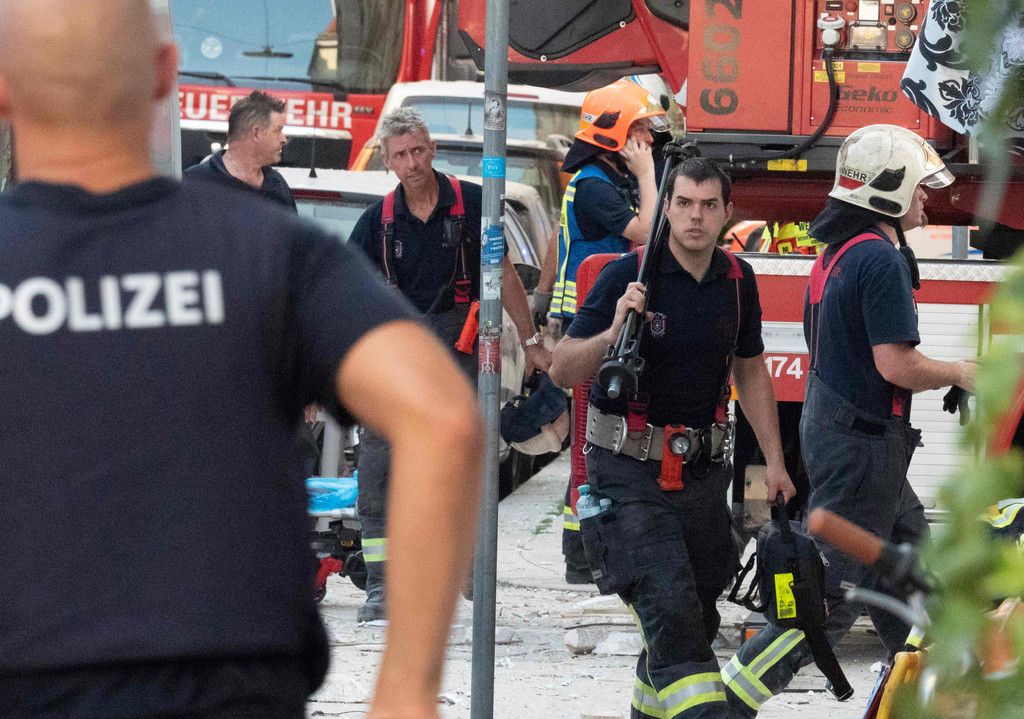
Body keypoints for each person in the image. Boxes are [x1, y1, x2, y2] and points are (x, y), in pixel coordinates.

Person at [0, 3, 481, 719]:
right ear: (165, 75)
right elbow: (442, 417)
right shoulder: (269, 252)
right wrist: (406, 693)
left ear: (3, 88)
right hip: (230, 688)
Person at [722, 124, 976, 717]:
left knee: (916, 588)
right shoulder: (880, 260)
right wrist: (961, 371)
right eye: (917, 186)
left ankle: (933, 702)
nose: (925, 197)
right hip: (863, 452)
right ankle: (727, 702)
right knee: (824, 603)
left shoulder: (839, 253)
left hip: (856, 444)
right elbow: (895, 364)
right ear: (887, 190)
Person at [549, 157, 796, 719]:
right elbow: (563, 368)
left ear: (727, 212)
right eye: (683, 203)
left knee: (695, 616)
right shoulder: (629, 276)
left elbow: (750, 369)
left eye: (709, 205)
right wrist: (614, 329)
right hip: (628, 473)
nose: (695, 217)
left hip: (702, 477)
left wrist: (775, 463)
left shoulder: (738, 282)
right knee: (670, 609)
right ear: (666, 210)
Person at [347, 106, 551, 622]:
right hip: (399, 357)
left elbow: (504, 275)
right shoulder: (376, 223)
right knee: (379, 466)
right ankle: (382, 587)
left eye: (418, 150)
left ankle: (467, 566)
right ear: (388, 162)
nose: (412, 163)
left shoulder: (475, 204)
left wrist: (531, 343)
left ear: (432, 150)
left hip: (461, 351)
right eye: (400, 155)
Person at [550, 78, 668, 584]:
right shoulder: (596, 185)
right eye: (640, 128)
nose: (648, 137)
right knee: (587, 440)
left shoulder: (604, 178)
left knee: (597, 437)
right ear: (614, 133)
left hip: (601, 316)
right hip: (589, 323)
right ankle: (581, 554)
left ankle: (590, 548)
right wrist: (647, 173)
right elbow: (649, 232)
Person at [184, 90, 295, 211]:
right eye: (278, 131)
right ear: (256, 133)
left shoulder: (277, 185)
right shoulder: (194, 182)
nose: (284, 139)